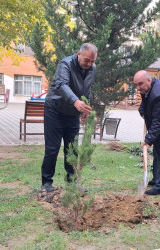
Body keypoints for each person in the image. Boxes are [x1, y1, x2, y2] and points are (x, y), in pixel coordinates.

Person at [40, 43, 98, 192]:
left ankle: (72, 183)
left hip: (72, 113)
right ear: (79, 53)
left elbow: (87, 88)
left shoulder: (92, 68)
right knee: (52, 149)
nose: (90, 64)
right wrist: (75, 101)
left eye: (92, 61)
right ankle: (46, 183)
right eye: (87, 60)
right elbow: (61, 85)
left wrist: (84, 107)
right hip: (55, 110)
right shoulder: (65, 64)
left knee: (72, 150)